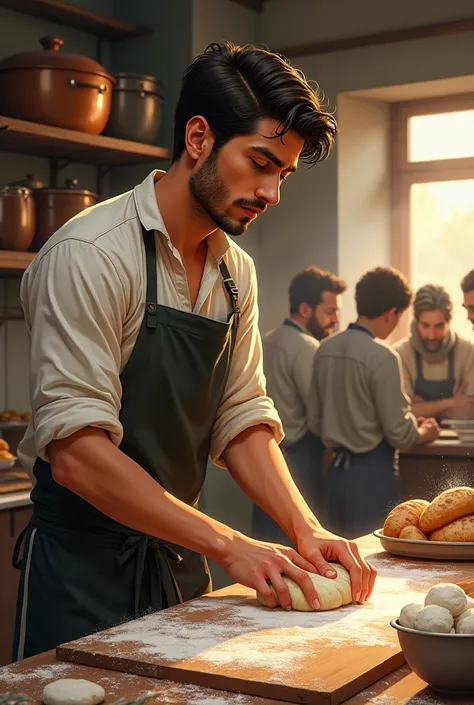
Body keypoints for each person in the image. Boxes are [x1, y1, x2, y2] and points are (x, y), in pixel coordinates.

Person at [13, 41, 375, 660]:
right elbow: (77, 455)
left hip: (181, 570)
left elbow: (241, 420)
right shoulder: (91, 255)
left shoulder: (237, 274)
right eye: (260, 162)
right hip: (81, 576)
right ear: (200, 137)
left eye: (282, 174)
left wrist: (304, 526)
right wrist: (231, 544)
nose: (272, 193)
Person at [308, 267, 439, 539]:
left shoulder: (325, 349)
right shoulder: (384, 357)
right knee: (377, 563)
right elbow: (400, 434)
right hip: (373, 478)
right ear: (392, 313)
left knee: (338, 562)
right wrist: (425, 431)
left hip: (334, 477)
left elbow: (316, 421)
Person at [253, 266, 346, 543]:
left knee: (267, 544)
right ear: (305, 309)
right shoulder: (308, 347)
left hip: (260, 460)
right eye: (330, 311)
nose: (336, 319)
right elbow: (319, 416)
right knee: (302, 547)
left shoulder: (263, 340)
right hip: (301, 462)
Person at [395, 284, 474, 420]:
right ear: (416, 321)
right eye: (425, 326)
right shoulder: (399, 354)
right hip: (415, 441)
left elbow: (468, 410)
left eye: (439, 326)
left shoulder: (468, 352)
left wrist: (421, 407)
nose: (432, 335)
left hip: (459, 439)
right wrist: (450, 403)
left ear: (449, 321)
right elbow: (400, 414)